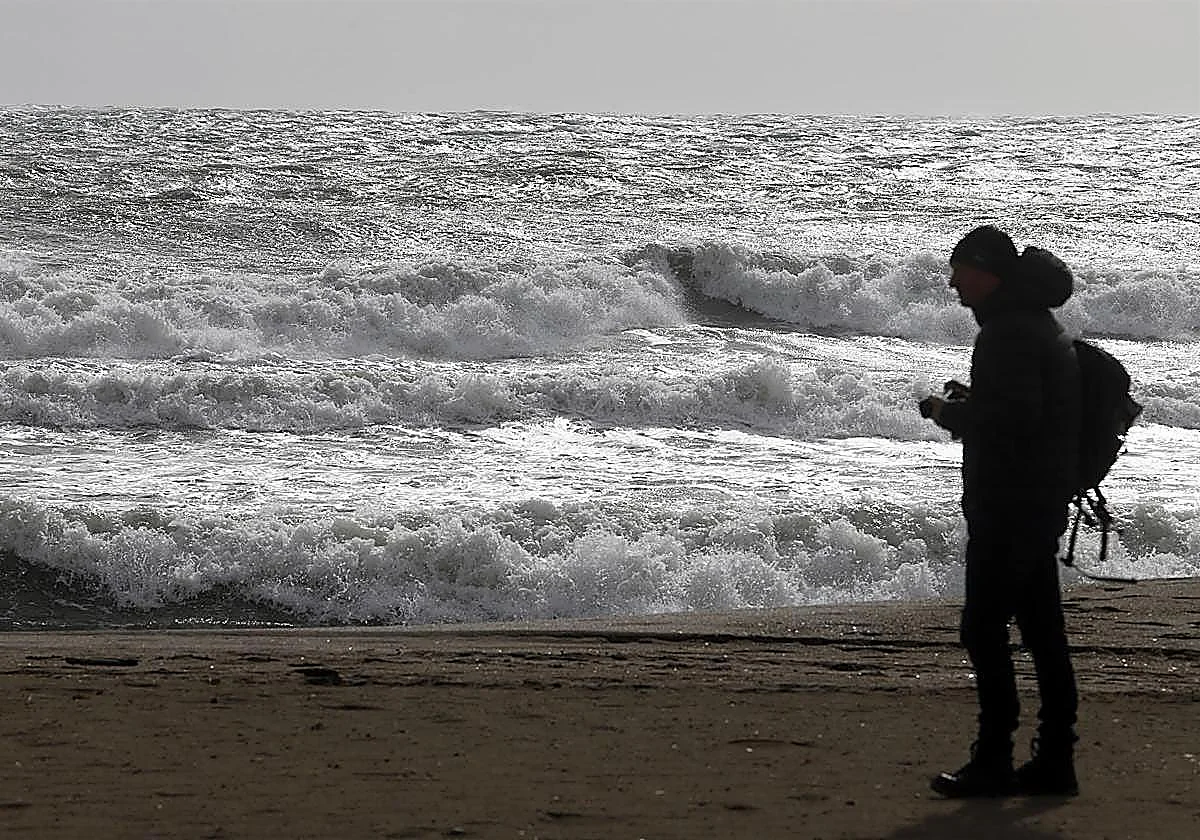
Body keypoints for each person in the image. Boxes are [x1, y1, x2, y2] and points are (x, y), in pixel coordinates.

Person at [918, 225, 1081, 798]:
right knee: (1042, 633)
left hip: (1011, 508)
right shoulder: (1036, 324)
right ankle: (1055, 761)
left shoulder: (1007, 333)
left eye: (961, 269)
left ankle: (993, 761)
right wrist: (975, 403)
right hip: (1035, 502)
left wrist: (947, 412)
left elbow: (1011, 422)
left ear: (987, 271)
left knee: (984, 630)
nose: (954, 281)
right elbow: (1023, 410)